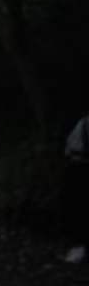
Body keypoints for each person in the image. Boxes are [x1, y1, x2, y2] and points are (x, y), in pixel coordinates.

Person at [61, 105, 89, 262]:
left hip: (77, 165)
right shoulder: (84, 123)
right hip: (79, 167)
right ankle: (79, 245)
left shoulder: (83, 123)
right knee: (78, 208)